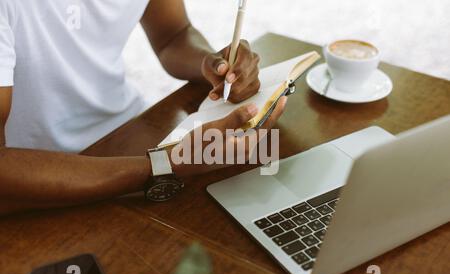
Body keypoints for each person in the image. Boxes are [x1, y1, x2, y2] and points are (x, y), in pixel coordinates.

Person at [0, 0, 287, 214]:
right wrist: (165, 165)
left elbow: (174, 34)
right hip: (36, 174)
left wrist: (211, 65)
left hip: (130, 130)